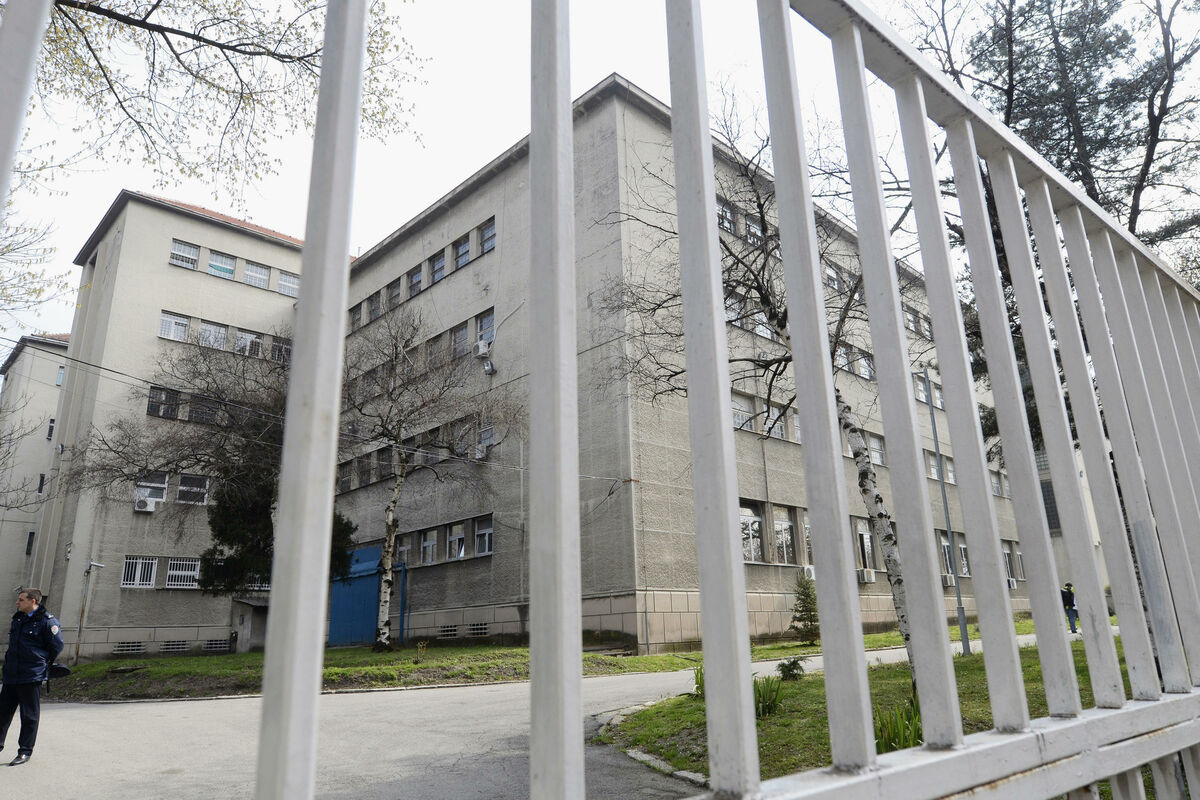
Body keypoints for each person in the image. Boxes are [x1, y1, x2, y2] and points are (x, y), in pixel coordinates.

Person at [0, 588, 63, 766]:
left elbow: (56, 646)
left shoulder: (47, 621)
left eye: (21, 600)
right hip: (12, 674)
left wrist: (40, 662)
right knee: (2, 713)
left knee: (29, 716)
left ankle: (25, 751)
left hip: (31, 675)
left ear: (32, 601)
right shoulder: (18, 619)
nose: (17, 602)